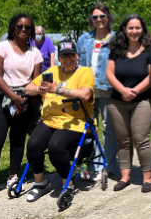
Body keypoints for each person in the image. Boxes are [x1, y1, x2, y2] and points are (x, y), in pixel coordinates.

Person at [22, 39, 95, 202]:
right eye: (63, 56)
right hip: (49, 119)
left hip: (75, 120)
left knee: (55, 146)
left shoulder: (85, 72)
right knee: (33, 145)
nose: (67, 59)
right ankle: (40, 183)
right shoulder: (53, 70)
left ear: (77, 55)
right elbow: (28, 89)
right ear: (59, 57)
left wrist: (57, 89)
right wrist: (38, 89)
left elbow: (86, 95)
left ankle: (67, 183)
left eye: (70, 55)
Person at [0, 14, 42, 201]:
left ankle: (13, 176)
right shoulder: (1, 47)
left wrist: (23, 100)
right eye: (20, 26)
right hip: (1, 97)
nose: (23, 30)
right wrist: (14, 99)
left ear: (31, 31)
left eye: (27, 27)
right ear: (13, 27)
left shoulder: (34, 53)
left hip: (25, 98)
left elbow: (35, 82)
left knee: (18, 140)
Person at [106, 14, 151, 193]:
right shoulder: (116, 49)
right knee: (123, 141)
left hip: (142, 100)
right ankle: (125, 177)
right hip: (117, 101)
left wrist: (134, 91)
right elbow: (110, 74)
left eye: (137, 28)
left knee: (141, 139)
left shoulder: (150, 49)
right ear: (124, 30)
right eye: (130, 28)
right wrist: (123, 90)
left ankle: (147, 178)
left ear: (142, 29)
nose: (134, 31)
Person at [77, 2, 118, 181]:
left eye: (102, 16)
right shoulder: (83, 39)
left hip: (108, 90)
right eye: (95, 17)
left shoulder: (117, 39)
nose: (99, 20)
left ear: (108, 17)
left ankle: (108, 165)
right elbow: (77, 66)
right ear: (91, 19)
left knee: (109, 129)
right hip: (87, 92)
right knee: (89, 129)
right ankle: (94, 165)